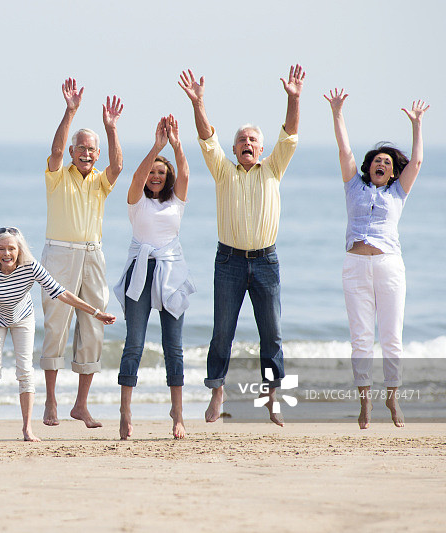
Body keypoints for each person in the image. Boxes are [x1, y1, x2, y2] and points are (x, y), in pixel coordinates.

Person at [178, 65, 305, 425]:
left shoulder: (272, 169)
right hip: (229, 261)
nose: (247, 144)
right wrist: (198, 103)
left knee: (272, 333)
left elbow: (290, 134)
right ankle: (218, 390)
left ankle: (271, 395)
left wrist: (293, 99)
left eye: (253, 140)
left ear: (261, 149)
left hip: (266, 261)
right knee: (222, 332)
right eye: (242, 140)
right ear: (234, 149)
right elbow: (206, 138)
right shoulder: (222, 170)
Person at [0, 227, 115, 442]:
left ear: (19, 250)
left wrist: (96, 312)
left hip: (23, 318)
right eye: (1, 249)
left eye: (11, 249)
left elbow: (61, 293)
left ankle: (27, 430)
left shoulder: (31, 267)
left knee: (25, 371)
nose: (6, 254)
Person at [324, 89, 429, 429]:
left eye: (387, 162)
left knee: (391, 335)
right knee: (360, 336)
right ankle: (365, 402)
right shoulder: (353, 186)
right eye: (376, 161)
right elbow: (344, 150)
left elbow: (416, 163)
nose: (381, 164)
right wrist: (337, 112)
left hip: (388, 266)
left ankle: (393, 397)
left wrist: (417, 125)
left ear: (392, 172)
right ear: (368, 167)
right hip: (354, 265)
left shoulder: (398, 191)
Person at [40, 77, 123, 428]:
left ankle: (81, 405)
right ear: (73, 151)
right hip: (60, 254)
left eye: (92, 150)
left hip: (93, 255)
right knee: (56, 326)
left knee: (93, 327)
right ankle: (50, 402)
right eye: (81, 148)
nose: (86, 154)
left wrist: (111, 128)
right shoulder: (58, 175)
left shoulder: (100, 181)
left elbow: (117, 167)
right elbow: (56, 152)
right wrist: (70, 111)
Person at [113, 115, 196, 440]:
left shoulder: (177, 201)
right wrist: (157, 146)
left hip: (171, 271)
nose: (156, 176)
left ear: (169, 177)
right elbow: (135, 175)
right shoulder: (137, 201)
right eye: (152, 172)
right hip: (140, 272)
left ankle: (178, 414)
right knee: (134, 344)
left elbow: (186, 173)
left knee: (173, 347)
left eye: (161, 172)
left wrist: (176, 145)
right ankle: (125, 411)